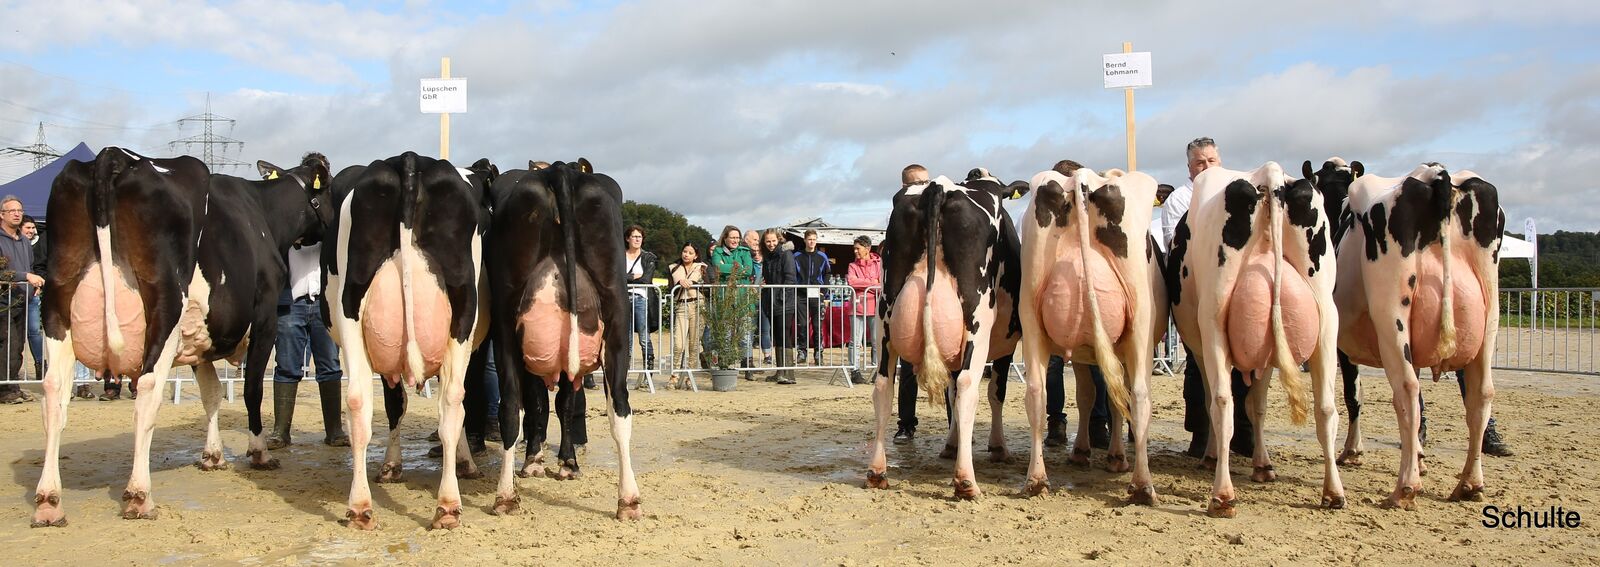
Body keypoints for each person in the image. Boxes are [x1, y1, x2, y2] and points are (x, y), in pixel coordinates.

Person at [1162, 137, 1254, 458]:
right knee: (1197, 368)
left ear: (1220, 160)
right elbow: (1173, 247)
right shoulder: (1179, 200)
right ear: (1189, 167)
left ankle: (1243, 435)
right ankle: (1201, 434)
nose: (1205, 167)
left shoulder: (1240, 193)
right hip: (1194, 294)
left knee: (1245, 365)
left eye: (1211, 161)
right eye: (1199, 162)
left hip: (1240, 290)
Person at [268, 242, 349, 447]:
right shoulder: (289, 228)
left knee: (330, 367)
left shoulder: (328, 228)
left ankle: (335, 431)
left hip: (325, 302)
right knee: (286, 367)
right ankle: (281, 432)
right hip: (291, 303)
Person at [892, 164, 930, 443]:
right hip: (909, 295)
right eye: (917, 183)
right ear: (904, 186)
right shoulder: (898, 215)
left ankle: (955, 427)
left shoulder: (939, 211)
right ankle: (906, 424)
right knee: (908, 365)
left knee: (952, 365)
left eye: (926, 182)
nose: (922, 187)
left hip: (939, 295)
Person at [0, 196, 38, 404]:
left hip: (22, 300)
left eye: (20, 210)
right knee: (7, 345)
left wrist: (33, 285)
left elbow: (29, 267)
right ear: (2, 215)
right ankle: (5, 390)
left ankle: (12, 385)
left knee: (17, 347)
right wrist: (26, 277)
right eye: (12, 210)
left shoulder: (24, 240)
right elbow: (1, 270)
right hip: (3, 302)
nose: (17, 213)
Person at [708, 225, 757, 368]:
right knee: (726, 334)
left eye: (737, 237)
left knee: (745, 335)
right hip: (725, 298)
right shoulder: (717, 251)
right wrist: (737, 267)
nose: (735, 240)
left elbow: (748, 270)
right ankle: (725, 363)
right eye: (732, 237)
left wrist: (727, 267)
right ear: (725, 238)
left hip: (743, 298)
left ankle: (747, 366)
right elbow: (717, 268)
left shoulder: (745, 251)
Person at [760, 228, 800, 384]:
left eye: (773, 241)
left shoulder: (786, 254)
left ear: (779, 240)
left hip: (785, 301)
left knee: (784, 335)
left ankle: (789, 374)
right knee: (777, 336)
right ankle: (780, 372)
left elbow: (790, 278)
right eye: (768, 241)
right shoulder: (768, 257)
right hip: (772, 301)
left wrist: (781, 296)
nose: (771, 244)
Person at [669, 242, 708, 389]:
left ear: (696, 255)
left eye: (690, 252)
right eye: (685, 251)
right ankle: (674, 375)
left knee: (694, 344)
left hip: (698, 305)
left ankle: (690, 376)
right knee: (678, 344)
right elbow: (670, 286)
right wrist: (680, 282)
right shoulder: (674, 267)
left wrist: (693, 281)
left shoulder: (702, 267)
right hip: (681, 305)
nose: (686, 254)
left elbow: (708, 284)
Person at [845, 235, 880, 384]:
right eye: (854, 248)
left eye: (858, 248)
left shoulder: (878, 264)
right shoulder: (852, 266)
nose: (855, 251)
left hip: (875, 307)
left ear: (867, 249)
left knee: (876, 340)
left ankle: (877, 370)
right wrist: (871, 283)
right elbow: (851, 281)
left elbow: (880, 285)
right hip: (857, 307)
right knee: (855, 341)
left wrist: (866, 285)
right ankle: (855, 370)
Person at [624, 226, 658, 379]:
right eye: (634, 236)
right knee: (626, 338)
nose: (637, 239)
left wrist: (627, 277)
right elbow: (616, 277)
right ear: (627, 238)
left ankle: (648, 373)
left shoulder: (649, 257)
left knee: (644, 337)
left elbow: (646, 279)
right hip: (623, 298)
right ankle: (624, 371)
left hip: (641, 299)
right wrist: (634, 276)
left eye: (640, 237)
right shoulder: (620, 256)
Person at [793, 229, 830, 365]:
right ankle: (802, 352)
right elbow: (792, 274)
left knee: (817, 325)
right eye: (809, 239)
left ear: (816, 240)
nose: (812, 241)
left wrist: (823, 291)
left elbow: (827, 274)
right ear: (804, 240)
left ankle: (818, 353)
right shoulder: (796, 255)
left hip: (816, 293)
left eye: (814, 239)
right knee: (801, 324)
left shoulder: (822, 256)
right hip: (800, 294)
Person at [744, 229, 771, 367]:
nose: (756, 246)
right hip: (748, 300)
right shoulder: (745, 257)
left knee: (765, 329)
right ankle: (748, 359)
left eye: (759, 250)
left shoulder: (765, 262)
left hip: (763, 299)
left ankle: (767, 355)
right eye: (754, 240)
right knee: (748, 329)